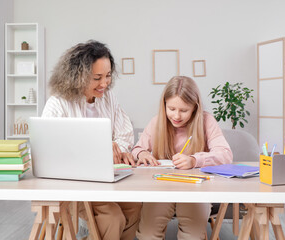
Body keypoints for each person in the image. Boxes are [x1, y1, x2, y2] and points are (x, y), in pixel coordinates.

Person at [42, 40, 141, 240]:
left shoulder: (109, 98)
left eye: (108, 76)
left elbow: (124, 134)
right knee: (113, 218)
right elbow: (48, 150)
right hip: (74, 185)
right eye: (97, 78)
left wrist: (118, 150)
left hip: (108, 180)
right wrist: (100, 149)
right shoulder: (58, 103)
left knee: (135, 205)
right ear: (77, 77)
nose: (104, 84)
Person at [132, 76, 233, 240]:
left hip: (196, 189)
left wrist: (194, 160)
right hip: (161, 188)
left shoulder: (206, 121)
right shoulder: (157, 122)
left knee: (193, 236)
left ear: (195, 107)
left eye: (184, 110)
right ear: (164, 104)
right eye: (171, 108)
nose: (176, 116)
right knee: (148, 234)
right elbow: (137, 148)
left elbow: (225, 154)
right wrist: (142, 154)